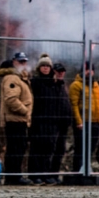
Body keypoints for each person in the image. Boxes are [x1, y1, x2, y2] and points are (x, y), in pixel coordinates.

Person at [29, 54, 69, 184]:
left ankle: (45, 174)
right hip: (38, 120)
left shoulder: (55, 84)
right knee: (36, 148)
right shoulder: (35, 82)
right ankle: (35, 175)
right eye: (43, 65)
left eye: (47, 66)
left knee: (48, 149)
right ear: (39, 67)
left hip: (52, 121)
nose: (45, 68)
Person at [0, 51, 33, 185]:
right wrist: (24, 111)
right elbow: (11, 99)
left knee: (18, 148)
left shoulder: (19, 78)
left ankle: (14, 175)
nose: (23, 64)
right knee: (15, 148)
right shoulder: (12, 78)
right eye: (20, 61)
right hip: (15, 119)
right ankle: (13, 177)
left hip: (19, 119)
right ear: (14, 62)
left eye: (25, 61)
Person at [69, 61, 99, 175]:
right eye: (87, 69)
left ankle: (86, 170)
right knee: (80, 149)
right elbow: (74, 105)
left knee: (90, 149)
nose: (89, 72)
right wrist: (79, 121)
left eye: (91, 70)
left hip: (95, 122)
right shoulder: (76, 85)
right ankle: (78, 171)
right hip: (83, 123)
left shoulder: (96, 85)